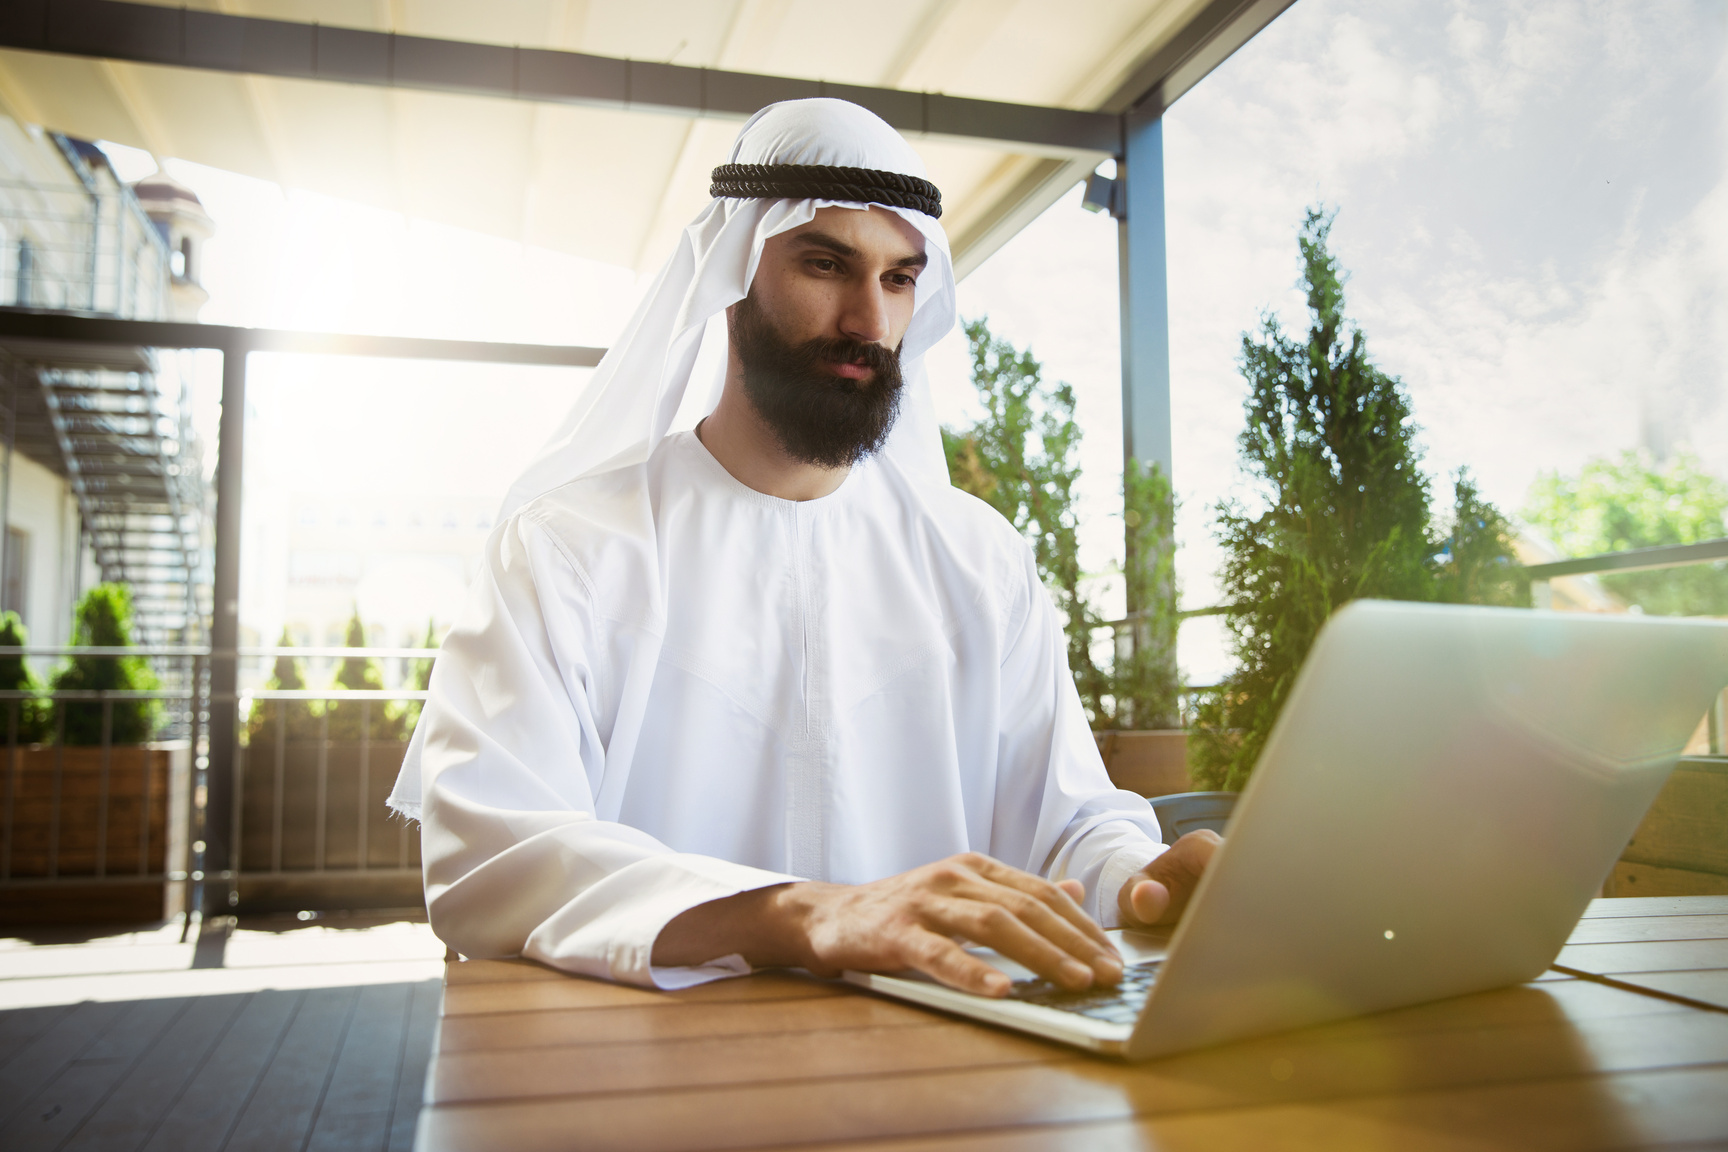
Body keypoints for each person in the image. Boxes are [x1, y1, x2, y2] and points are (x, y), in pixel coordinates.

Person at [389, 98, 1219, 997]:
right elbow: (493, 853)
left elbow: (1063, 821)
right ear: (735, 271)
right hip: (645, 1074)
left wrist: (1141, 879)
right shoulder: (568, 549)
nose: (869, 319)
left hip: (944, 1073)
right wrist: (801, 913)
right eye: (827, 264)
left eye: (900, 279)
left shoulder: (980, 560)